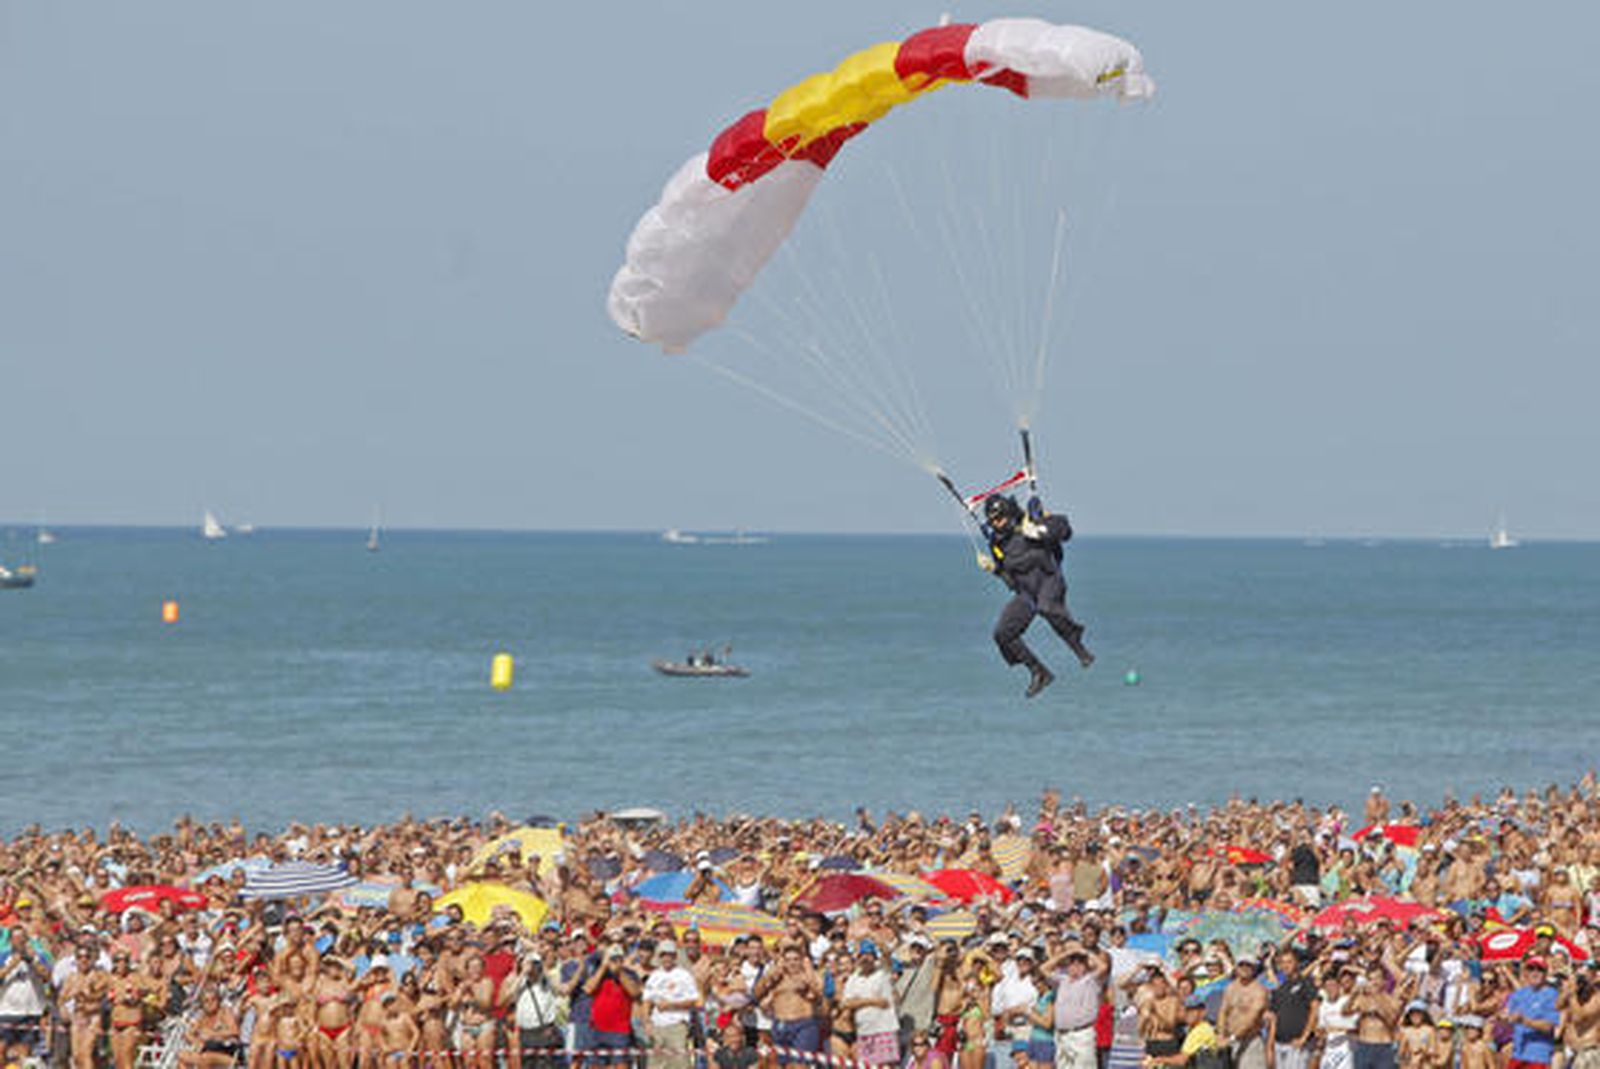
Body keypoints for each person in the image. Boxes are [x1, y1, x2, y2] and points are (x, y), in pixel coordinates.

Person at [976, 494, 1093, 699]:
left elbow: (1065, 530)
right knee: (1003, 634)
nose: (996, 524)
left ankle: (1079, 647)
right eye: (992, 521)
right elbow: (1011, 581)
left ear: (1008, 512)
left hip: (1049, 580)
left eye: (999, 518)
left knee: (1046, 607)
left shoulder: (1030, 519)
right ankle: (1039, 673)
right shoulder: (998, 543)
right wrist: (994, 569)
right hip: (1027, 593)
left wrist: (1041, 530)